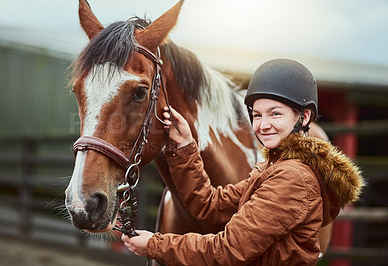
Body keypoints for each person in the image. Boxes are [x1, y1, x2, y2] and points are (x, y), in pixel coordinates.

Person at [122, 59, 364, 265]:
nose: (263, 124)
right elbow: (209, 205)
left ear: (304, 116)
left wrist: (154, 244)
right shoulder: (271, 169)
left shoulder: (293, 179)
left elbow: (228, 250)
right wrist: (185, 146)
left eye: (275, 113)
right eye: (257, 115)